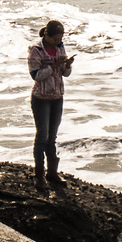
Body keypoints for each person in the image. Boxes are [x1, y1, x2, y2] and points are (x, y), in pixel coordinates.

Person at [28, 20, 75, 190]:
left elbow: (65, 73)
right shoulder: (36, 50)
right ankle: (38, 175)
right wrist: (53, 66)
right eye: (56, 38)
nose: (58, 41)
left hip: (57, 96)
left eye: (60, 38)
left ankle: (52, 172)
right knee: (42, 136)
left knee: (52, 137)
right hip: (41, 98)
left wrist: (67, 66)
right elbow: (35, 75)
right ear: (47, 34)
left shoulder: (60, 47)